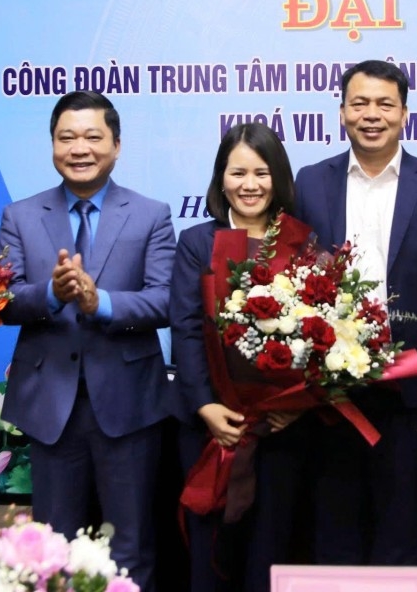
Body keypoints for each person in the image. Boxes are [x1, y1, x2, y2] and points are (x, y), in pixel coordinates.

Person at [0, 90, 175, 592]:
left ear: (116, 145)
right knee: (53, 548)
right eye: (66, 137)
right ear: (52, 145)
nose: (80, 148)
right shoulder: (20, 216)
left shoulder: (151, 214)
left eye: (93, 137)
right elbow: (2, 302)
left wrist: (104, 304)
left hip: (129, 404)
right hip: (50, 406)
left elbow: (165, 300)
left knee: (130, 546)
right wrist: (50, 295)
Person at [293, 59, 417, 565]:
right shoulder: (311, 181)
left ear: (404, 113)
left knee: (402, 527)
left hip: (410, 390)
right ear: (342, 111)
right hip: (331, 391)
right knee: (334, 527)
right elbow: (295, 281)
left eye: (385, 104)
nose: (372, 115)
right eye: (360, 103)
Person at [171, 122, 310, 592]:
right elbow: (187, 328)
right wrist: (206, 406)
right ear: (221, 179)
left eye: (261, 173)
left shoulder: (301, 241)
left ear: (279, 179)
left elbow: (322, 333)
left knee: (268, 553)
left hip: (278, 429)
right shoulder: (197, 242)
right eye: (238, 173)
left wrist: (297, 404)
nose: (250, 185)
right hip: (212, 426)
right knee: (209, 554)